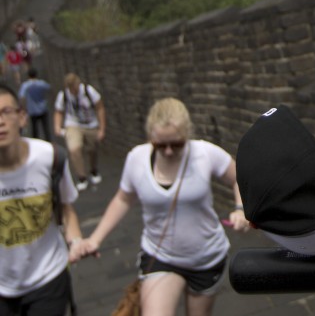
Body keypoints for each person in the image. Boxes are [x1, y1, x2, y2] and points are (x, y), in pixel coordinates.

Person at [78, 98, 250, 316]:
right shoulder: (136, 159)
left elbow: (240, 178)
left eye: (177, 144)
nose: (168, 151)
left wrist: (240, 209)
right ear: (151, 136)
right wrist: (95, 238)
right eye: (160, 145)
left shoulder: (205, 154)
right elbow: (123, 199)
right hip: (161, 256)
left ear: (187, 134)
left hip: (206, 257)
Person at [0, 82, 85, 315]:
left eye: (6, 112)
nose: (0, 121)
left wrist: (76, 241)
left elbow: (67, 209)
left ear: (22, 117)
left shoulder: (50, 158)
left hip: (47, 276)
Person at [53, 73, 105, 192]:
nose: (73, 91)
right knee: (74, 149)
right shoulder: (64, 95)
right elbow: (59, 111)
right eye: (70, 89)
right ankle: (82, 177)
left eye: (74, 88)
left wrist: (102, 128)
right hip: (73, 124)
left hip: (91, 124)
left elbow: (100, 108)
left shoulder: (88, 91)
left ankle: (93, 170)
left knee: (92, 149)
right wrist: (57, 126)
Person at [19, 68, 52, 142]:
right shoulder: (41, 83)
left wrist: (24, 108)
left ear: (28, 76)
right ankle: (49, 143)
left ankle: (36, 144)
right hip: (43, 108)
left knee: (34, 129)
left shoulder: (26, 85)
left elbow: (21, 96)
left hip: (32, 110)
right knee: (46, 128)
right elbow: (48, 87)